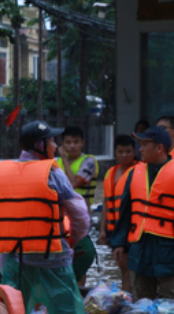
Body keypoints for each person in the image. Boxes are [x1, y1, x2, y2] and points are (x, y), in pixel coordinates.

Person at [0, 120, 89, 314]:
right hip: (53, 260)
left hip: (15, 262)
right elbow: (81, 217)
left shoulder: (3, 173)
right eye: (52, 140)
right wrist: (70, 243)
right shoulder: (53, 173)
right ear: (40, 145)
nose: (55, 145)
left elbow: (0, 219)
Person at [111, 126, 174, 300]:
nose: (140, 149)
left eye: (144, 144)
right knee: (141, 300)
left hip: (168, 249)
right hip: (140, 247)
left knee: (169, 300)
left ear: (159, 148)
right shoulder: (135, 173)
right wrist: (119, 243)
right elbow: (126, 211)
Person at [55, 126, 97, 285]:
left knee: (80, 256)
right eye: (68, 142)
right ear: (62, 145)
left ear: (82, 143)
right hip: (61, 221)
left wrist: (65, 160)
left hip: (80, 220)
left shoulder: (89, 161)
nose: (72, 146)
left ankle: (79, 294)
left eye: (75, 142)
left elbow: (72, 184)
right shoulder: (55, 162)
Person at [98, 135, 138, 293]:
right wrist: (102, 230)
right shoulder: (110, 173)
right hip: (113, 229)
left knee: (128, 270)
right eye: (121, 152)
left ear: (134, 152)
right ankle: (127, 299)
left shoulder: (138, 171)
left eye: (128, 151)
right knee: (123, 269)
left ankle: (128, 300)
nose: (124, 155)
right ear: (115, 153)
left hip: (130, 229)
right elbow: (107, 204)